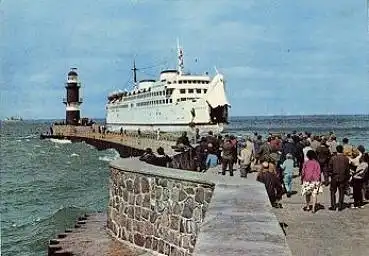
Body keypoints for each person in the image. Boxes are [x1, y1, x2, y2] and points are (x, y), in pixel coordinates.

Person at [328, 145, 350, 211]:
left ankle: (333, 206)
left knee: (332, 191)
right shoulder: (346, 158)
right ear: (342, 150)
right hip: (343, 177)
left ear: (336, 150)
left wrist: (330, 174)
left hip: (334, 177)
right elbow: (347, 169)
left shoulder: (333, 158)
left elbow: (330, 168)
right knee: (341, 192)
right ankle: (340, 206)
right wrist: (347, 178)